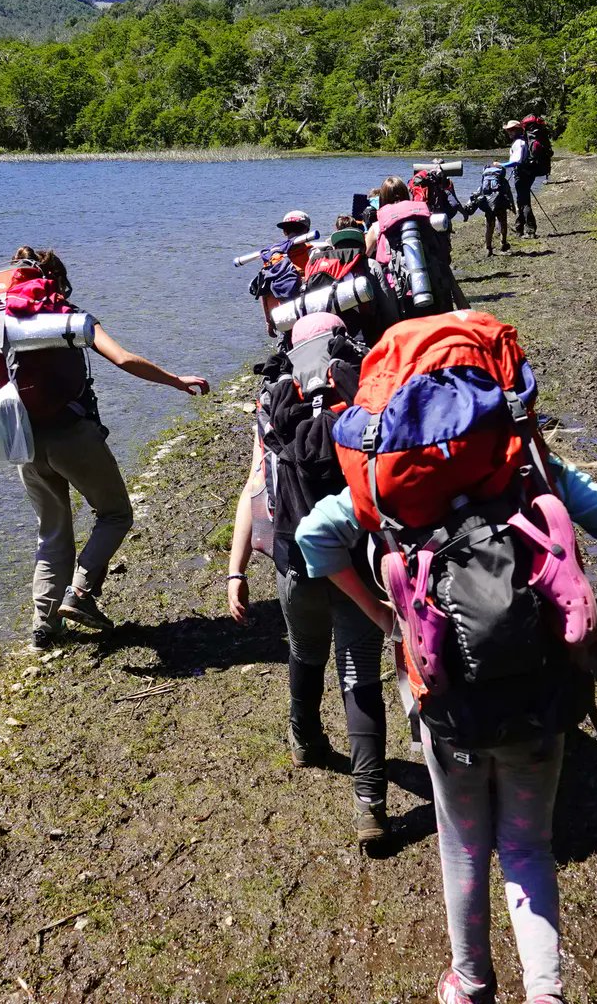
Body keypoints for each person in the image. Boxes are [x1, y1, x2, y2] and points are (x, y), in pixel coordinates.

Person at [296, 453, 597, 1004]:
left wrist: (381, 618)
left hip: (448, 707)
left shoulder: (386, 476)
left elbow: (313, 536)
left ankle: (470, 984)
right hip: (543, 697)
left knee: (463, 847)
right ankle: (545, 994)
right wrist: (590, 632)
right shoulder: (529, 464)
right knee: (527, 847)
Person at [0, 246, 210, 648]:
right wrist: (176, 380)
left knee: (52, 531)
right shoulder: (66, 318)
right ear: (54, 280)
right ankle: (81, 593)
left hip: (24, 441)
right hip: (72, 434)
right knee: (115, 514)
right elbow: (123, 359)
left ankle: (45, 626)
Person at [225, 312, 390, 847]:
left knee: (304, 650)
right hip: (358, 561)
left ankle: (306, 740)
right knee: (359, 671)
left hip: (296, 558)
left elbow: (256, 486)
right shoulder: (368, 391)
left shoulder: (272, 405)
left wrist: (237, 569)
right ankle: (371, 805)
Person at [253, 210, 316, 336]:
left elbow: (264, 292)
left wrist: (268, 322)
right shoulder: (314, 253)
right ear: (307, 230)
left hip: (284, 317)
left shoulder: (273, 256)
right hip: (308, 315)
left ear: (284, 232)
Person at [468, 160, 514, 256]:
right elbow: (509, 194)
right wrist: (512, 206)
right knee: (503, 223)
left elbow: (479, 192)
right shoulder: (503, 181)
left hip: (488, 205)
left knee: (489, 226)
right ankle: (503, 244)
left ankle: (488, 248)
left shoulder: (485, 180)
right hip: (500, 204)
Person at [504, 119, 539, 239]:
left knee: (524, 202)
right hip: (526, 174)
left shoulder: (518, 142)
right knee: (521, 201)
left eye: (511, 130)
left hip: (522, 175)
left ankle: (530, 231)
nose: (509, 132)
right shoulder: (522, 141)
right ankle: (519, 228)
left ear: (517, 130)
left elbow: (516, 161)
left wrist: (500, 165)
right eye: (508, 130)